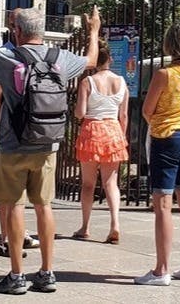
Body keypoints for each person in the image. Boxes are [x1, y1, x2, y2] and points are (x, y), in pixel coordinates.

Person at [0, 5, 101, 295]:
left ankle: (16, 275)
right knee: (44, 206)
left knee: (14, 205)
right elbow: (92, 60)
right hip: (47, 145)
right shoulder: (60, 58)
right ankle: (47, 273)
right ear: (42, 31)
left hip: (13, 145)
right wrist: (94, 31)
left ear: (18, 31)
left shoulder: (6, 58)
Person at [134, 22, 180, 286]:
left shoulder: (164, 74)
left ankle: (161, 270)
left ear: (169, 45)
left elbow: (147, 109)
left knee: (163, 204)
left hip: (167, 138)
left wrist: (160, 121)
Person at [72, 39, 129, 244]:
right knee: (111, 182)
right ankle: (115, 224)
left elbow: (80, 113)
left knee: (88, 184)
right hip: (113, 130)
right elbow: (124, 116)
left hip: (92, 130)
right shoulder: (121, 82)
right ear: (110, 59)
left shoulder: (87, 82)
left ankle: (85, 226)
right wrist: (121, 136)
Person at [0, 9, 39, 259]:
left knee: (24, 195)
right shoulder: (5, 54)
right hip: (11, 131)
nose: (15, 27)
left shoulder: (34, 53)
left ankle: (18, 235)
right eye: (13, 22)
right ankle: (6, 239)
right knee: (10, 192)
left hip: (32, 131)